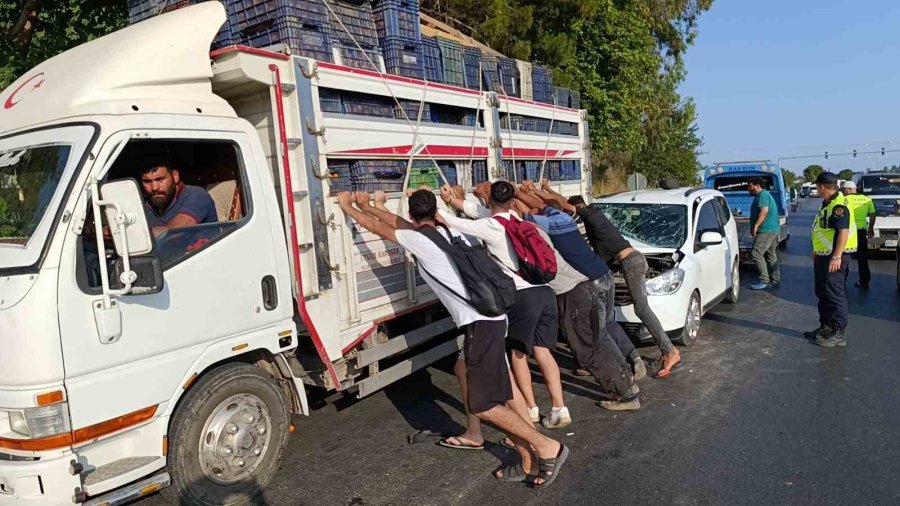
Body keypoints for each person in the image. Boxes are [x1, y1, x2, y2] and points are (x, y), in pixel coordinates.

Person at [338, 189, 569, 487]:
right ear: (435, 213)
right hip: (494, 317)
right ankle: (526, 459)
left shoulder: (419, 239)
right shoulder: (446, 232)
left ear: (412, 216)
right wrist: (370, 206)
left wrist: (351, 207)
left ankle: (547, 446)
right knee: (493, 387)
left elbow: (380, 227)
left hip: (479, 324)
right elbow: (395, 223)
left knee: (483, 404)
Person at [439, 181, 571, 428]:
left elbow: (454, 223)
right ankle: (559, 408)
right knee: (543, 352)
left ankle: (530, 409)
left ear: (490, 201)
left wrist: (444, 203)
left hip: (522, 297)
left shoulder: (490, 225)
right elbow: (472, 210)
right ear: (513, 201)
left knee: (518, 355)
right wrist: (457, 201)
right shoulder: (521, 222)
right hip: (545, 293)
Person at [537, 181, 681, 379]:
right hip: (630, 262)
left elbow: (562, 204)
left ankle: (669, 350)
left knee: (641, 308)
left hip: (631, 262)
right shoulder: (592, 222)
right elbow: (562, 203)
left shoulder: (593, 214)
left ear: (579, 208)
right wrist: (546, 189)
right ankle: (642, 354)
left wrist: (536, 191)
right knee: (611, 317)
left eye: (573, 211)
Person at [514, 186, 639, 410]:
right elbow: (540, 205)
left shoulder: (538, 227)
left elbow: (520, 213)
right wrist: (528, 192)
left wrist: (513, 195)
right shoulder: (562, 217)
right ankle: (627, 380)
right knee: (600, 336)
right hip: (593, 279)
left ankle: (624, 394)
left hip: (573, 291)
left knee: (587, 347)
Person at [804, 172, 858, 347]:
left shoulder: (838, 205)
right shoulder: (827, 204)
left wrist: (837, 256)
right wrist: (817, 250)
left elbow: (842, 232)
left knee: (835, 294)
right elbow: (824, 230)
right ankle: (826, 328)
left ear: (821, 186)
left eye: (817, 187)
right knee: (823, 293)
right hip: (823, 255)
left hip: (834, 257)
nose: (817, 190)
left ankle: (838, 332)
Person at [139, 158, 217, 236]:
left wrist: (141, 236)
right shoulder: (143, 205)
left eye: (160, 179)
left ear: (175, 176)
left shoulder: (196, 194)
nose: (154, 187)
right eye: (147, 181)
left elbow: (178, 230)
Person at [747, 177, 782, 290]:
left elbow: (764, 211)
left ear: (757, 185)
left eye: (750, 186)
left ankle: (764, 280)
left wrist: (756, 225)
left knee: (756, 253)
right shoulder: (763, 195)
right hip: (772, 229)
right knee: (771, 254)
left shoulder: (763, 195)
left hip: (767, 230)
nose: (749, 188)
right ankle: (775, 280)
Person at [842, 181, 876, 289]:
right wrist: (870, 228)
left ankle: (842, 281)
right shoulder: (867, 200)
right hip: (861, 231)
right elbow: (872, 214)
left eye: (844, 190)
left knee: (845, 256)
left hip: (848, 232)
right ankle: (864, 281)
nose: (844, 192)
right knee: (862, 258)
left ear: (848, 189)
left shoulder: (845, 200)